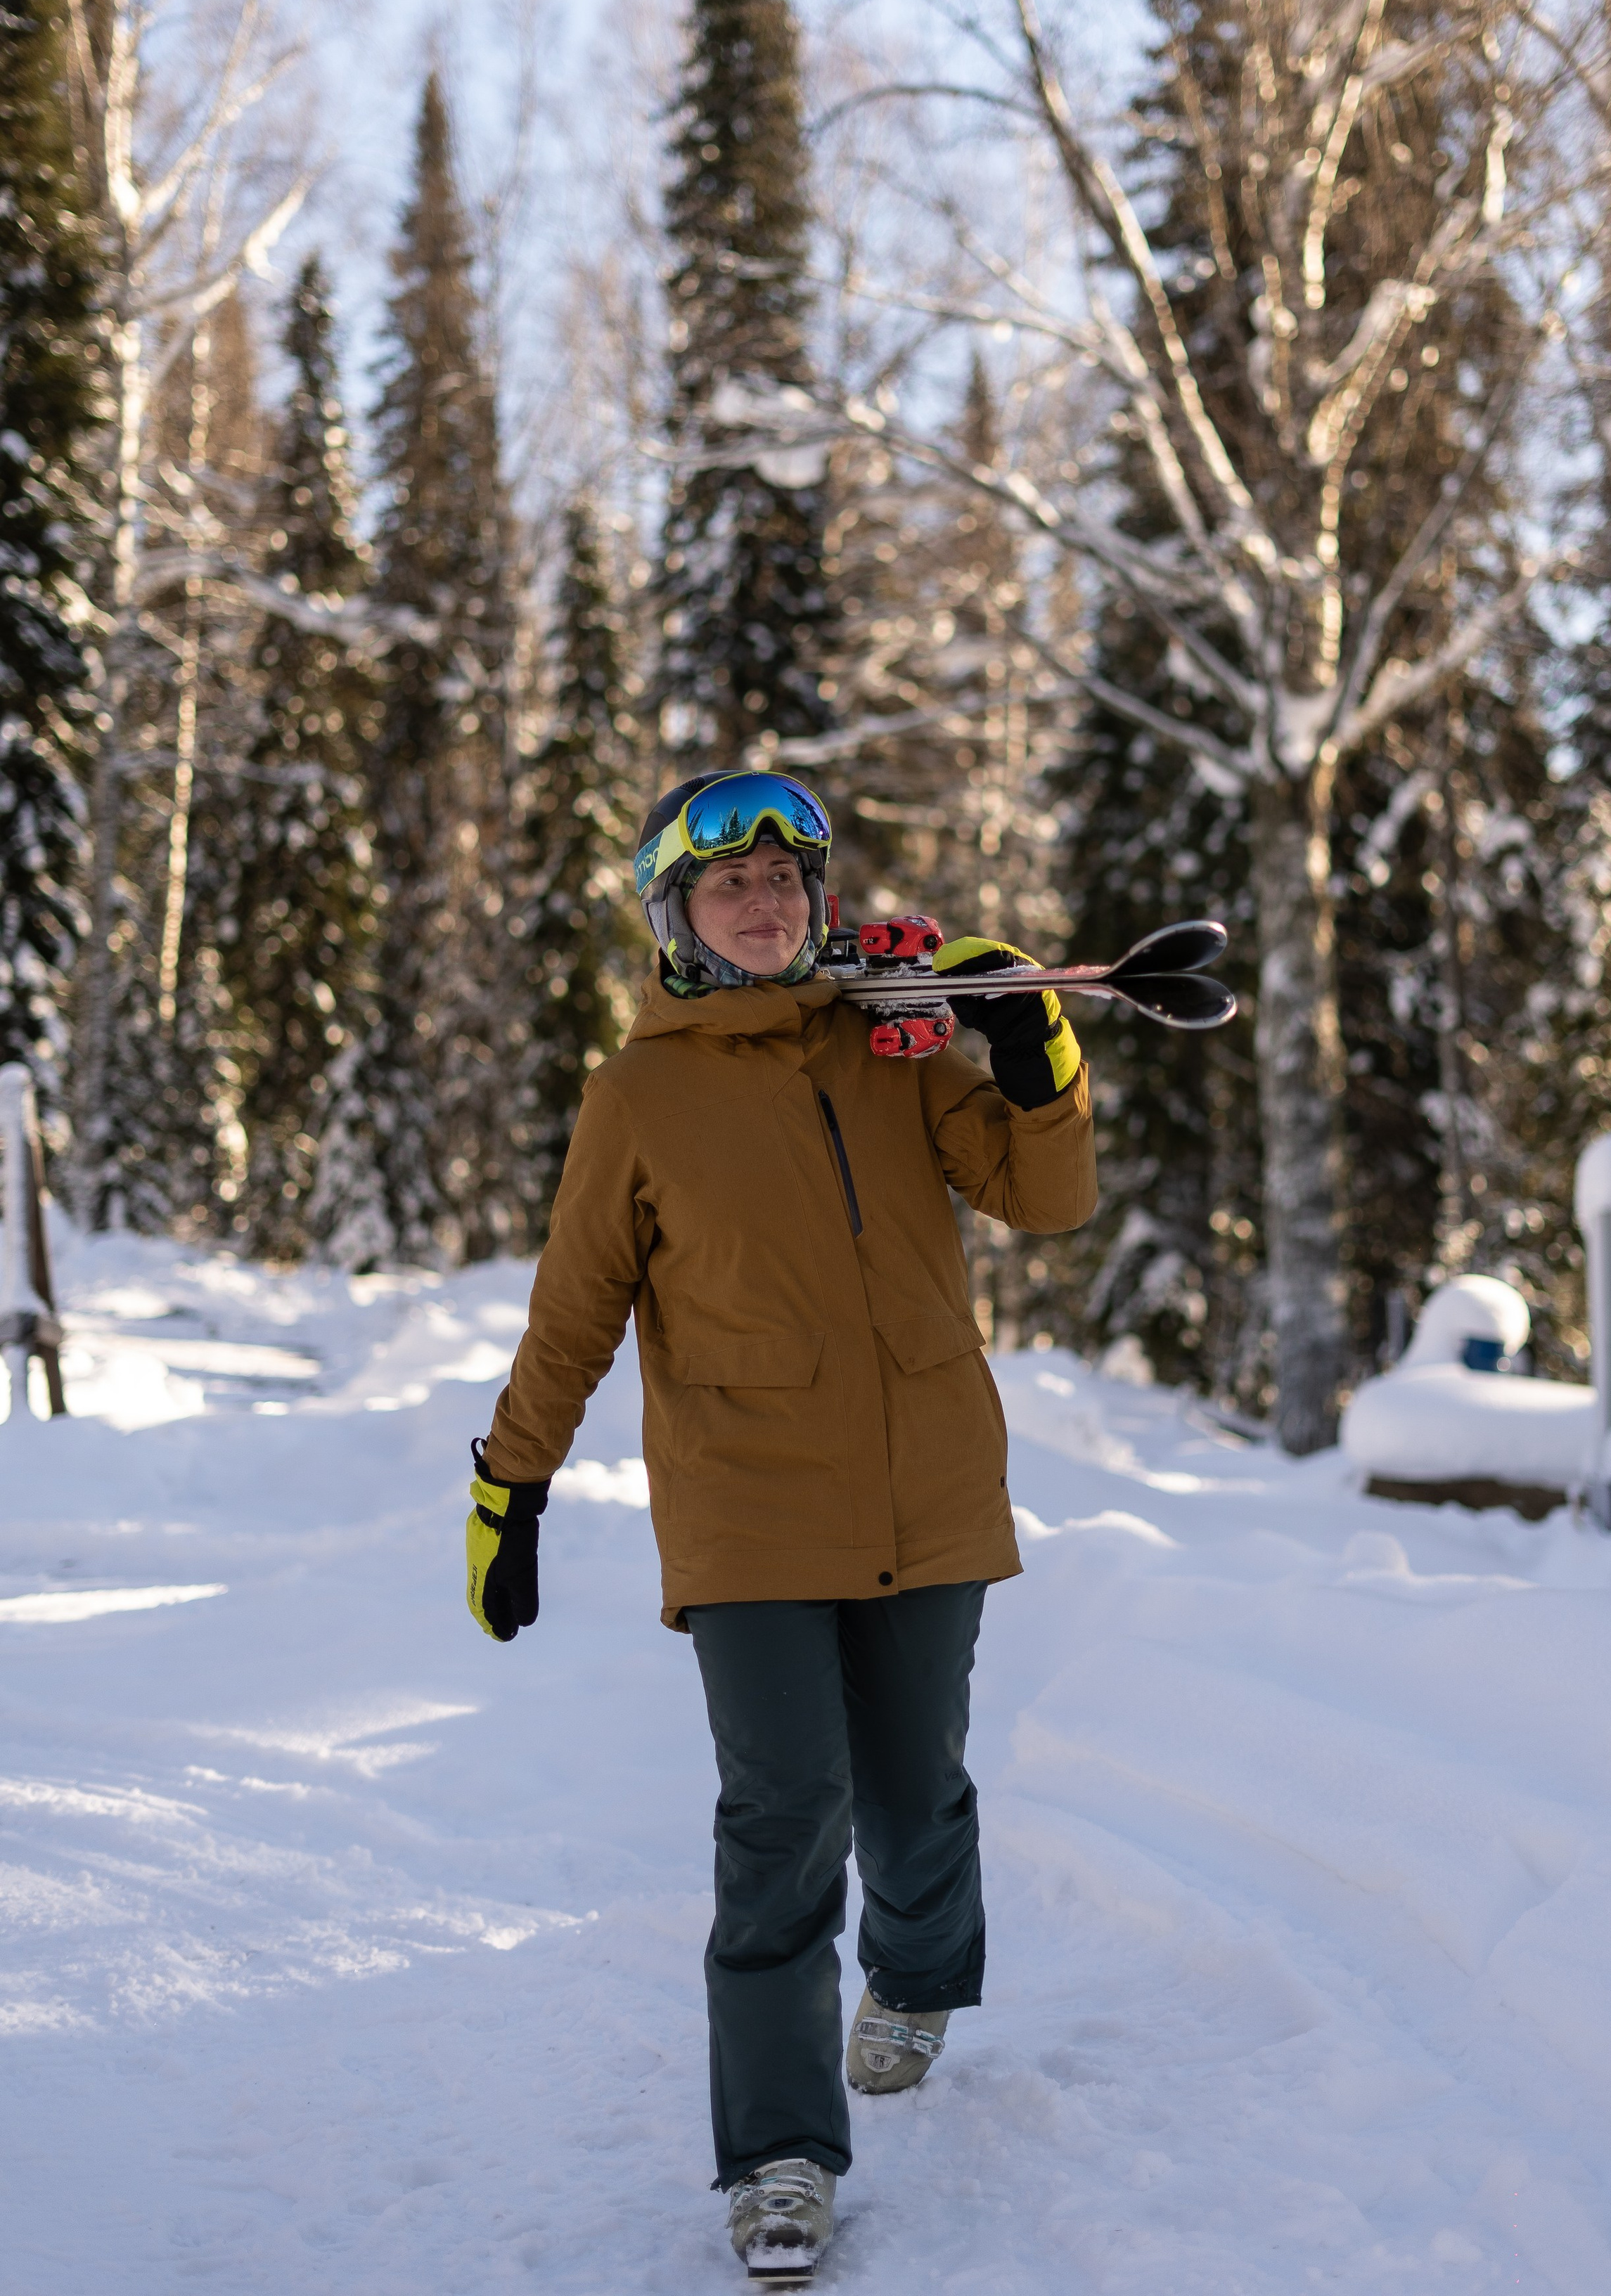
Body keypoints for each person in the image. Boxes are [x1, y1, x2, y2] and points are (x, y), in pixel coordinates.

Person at [465, 769, 1096, 2280]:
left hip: (928, 1483)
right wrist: (511, 1483)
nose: (762, 904)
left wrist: (1030, 1052)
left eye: (782, 881)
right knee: (780, 1819)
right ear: (675, 919)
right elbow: (572, 1317)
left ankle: (921, 1975)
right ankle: (779, 2156)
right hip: (746, 1511)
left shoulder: (893, 1044)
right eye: (725, 886)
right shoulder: (639, 1095)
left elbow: (1043, 1200)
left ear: (817, 900)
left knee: (912, 1785)